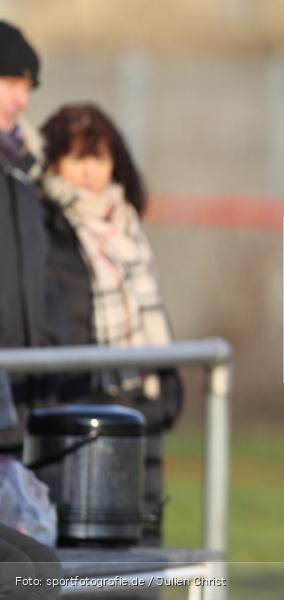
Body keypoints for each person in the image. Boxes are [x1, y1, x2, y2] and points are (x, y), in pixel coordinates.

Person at [39, 104, 183, 547]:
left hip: (142, 407)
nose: (88, 171)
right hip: (80, 411)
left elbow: (150, 309)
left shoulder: (126, 223)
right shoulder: (43, 224)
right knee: (86, 555)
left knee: (143, 549)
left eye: (98, 157)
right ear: (54, 162)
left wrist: (166, 391)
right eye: (77, 157)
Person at [0, 20, 63, 600]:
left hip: (20, 402)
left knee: (39, 564)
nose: (22, 97)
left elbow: (39, 291)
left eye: (27, 85)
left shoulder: (22, 172)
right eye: (10, 80)